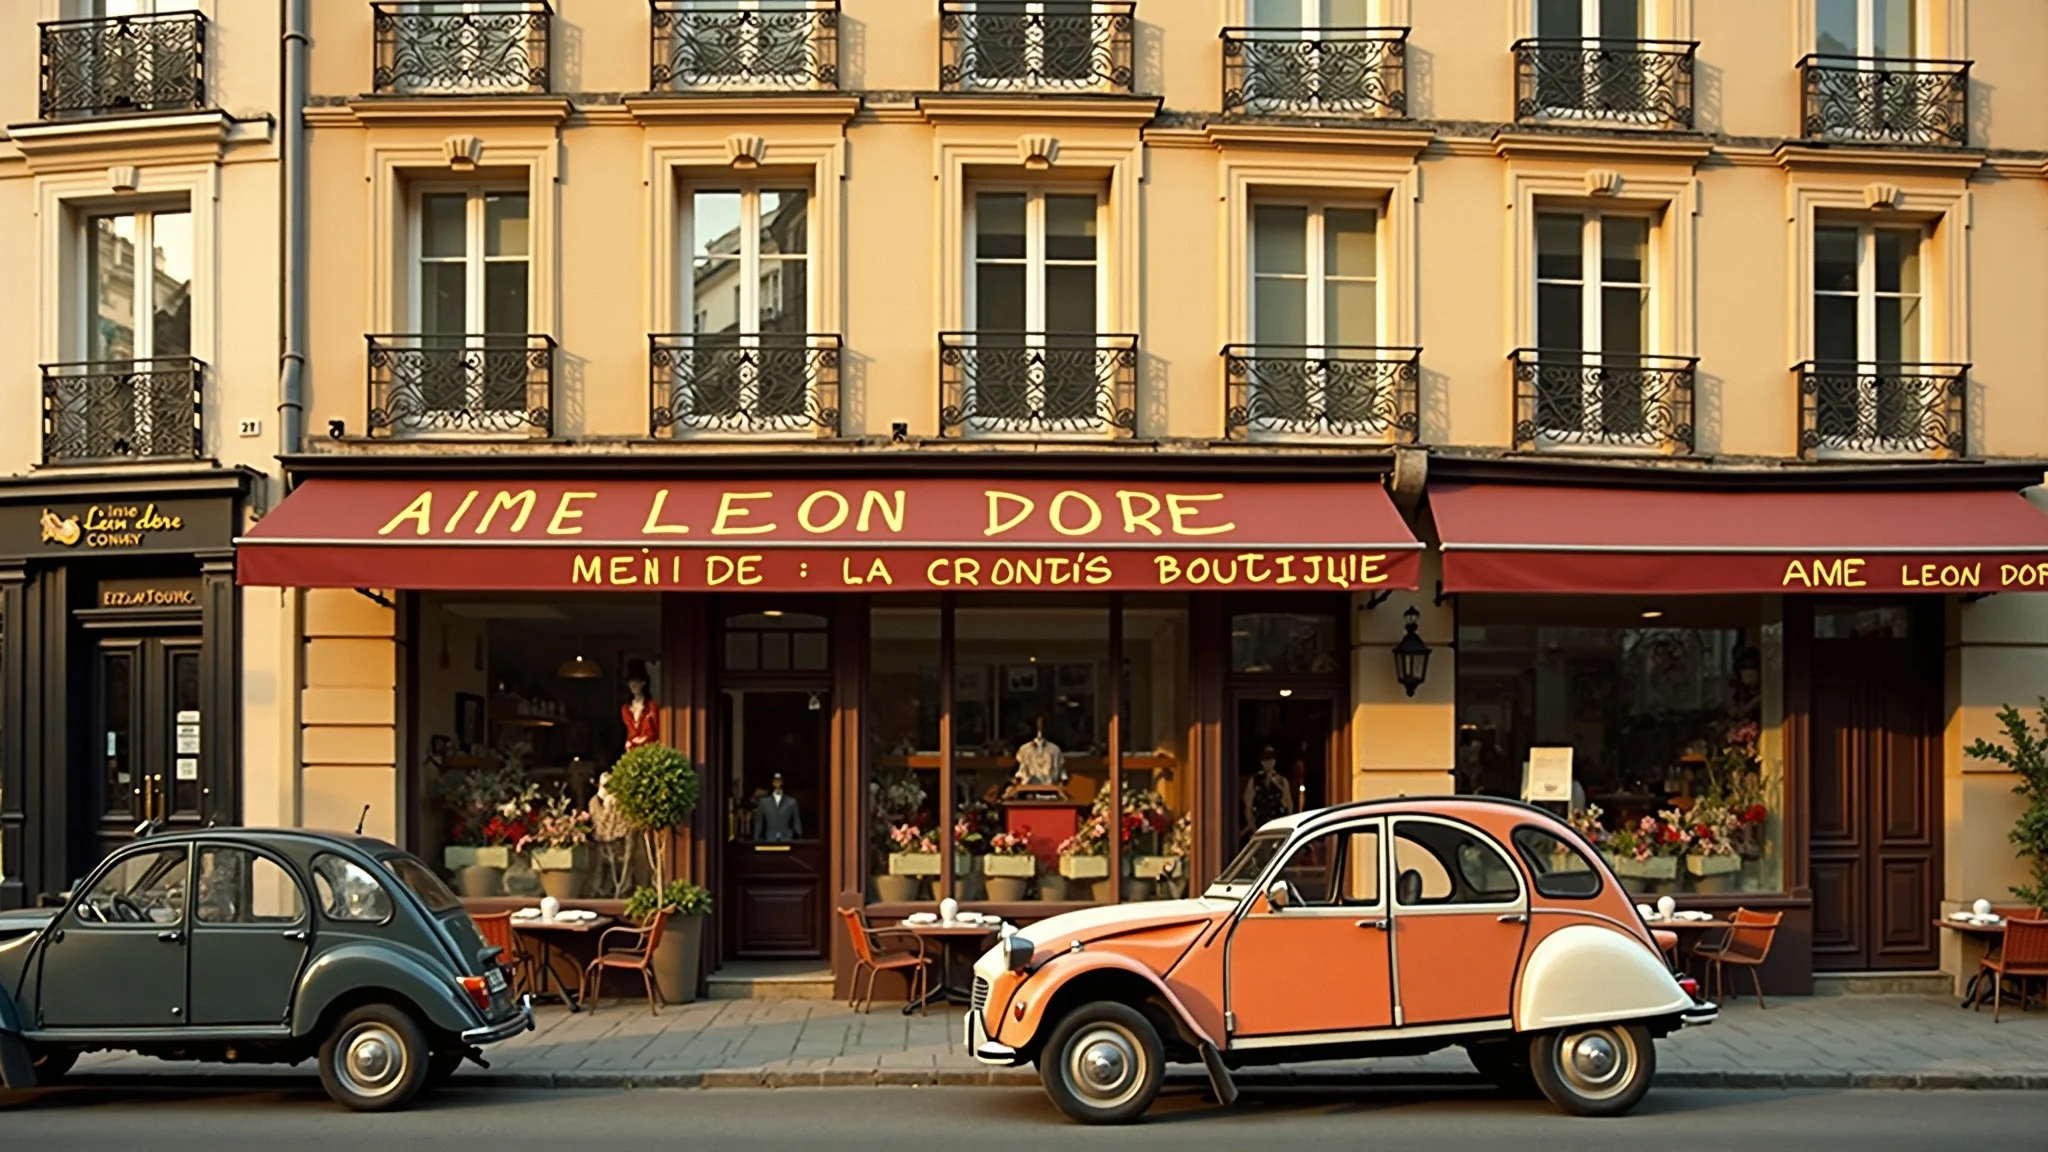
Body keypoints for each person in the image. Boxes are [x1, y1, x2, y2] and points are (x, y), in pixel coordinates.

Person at [1242, 745, 1292, 836]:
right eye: (1266, 759)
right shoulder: (1254, 781)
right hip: (1259, 826)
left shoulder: (1282, 781)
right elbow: (1248, 804)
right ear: (1262, 762)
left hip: (1278, 826)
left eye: (1271, 759)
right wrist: (1253, 827)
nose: (1269, 762)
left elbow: (1288, 804)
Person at [621, 659, 660, 751]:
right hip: (632, 751)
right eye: (630, 682)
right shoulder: (625, 709)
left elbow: (658, 731)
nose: (633, 685)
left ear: (643, 683)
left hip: (650, 750)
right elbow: (630, 731)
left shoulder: (652, 707)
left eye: (637, 681)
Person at [754, 771, 802, 842]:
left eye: (779, 780)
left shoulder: (791, 802)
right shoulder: (764, 803)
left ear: (782, 782)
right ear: (772, 782)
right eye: (775, 780)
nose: (777, 783)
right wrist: (756, 840)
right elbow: (759, 824)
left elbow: (796, 823)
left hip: (787, 839)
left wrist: (798, 839)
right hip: (769, 840)